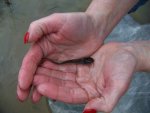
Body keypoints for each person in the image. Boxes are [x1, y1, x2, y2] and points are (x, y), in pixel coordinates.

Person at [17, 0, 149, 113]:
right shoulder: (85, 59)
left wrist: (137, 54)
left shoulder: (88, 60)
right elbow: (87, 60)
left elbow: (88, 61)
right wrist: (96, 21)